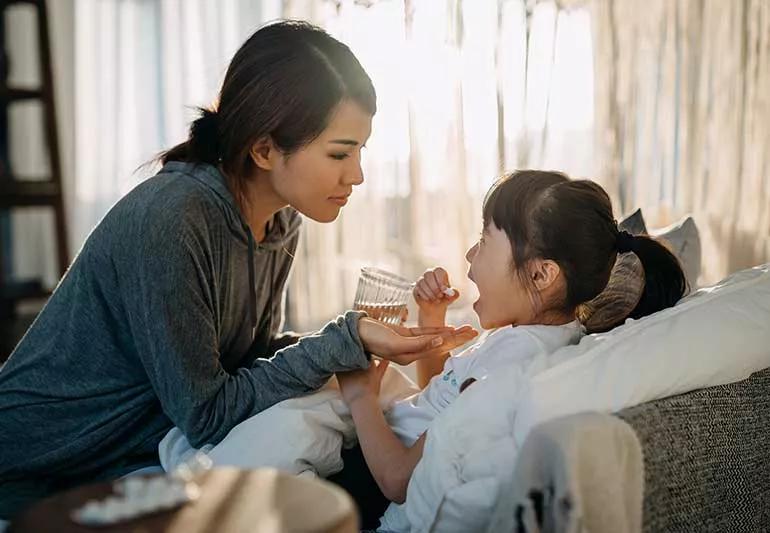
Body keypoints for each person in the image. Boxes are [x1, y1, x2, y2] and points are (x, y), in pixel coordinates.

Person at [0, 21, 476, 519]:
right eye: (340, 152)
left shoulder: (279, 219)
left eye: (361, 150)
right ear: (265, 149)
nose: (356, 175)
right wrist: (341, 341)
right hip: (40, 473)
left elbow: (245, 358)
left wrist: (353, 343)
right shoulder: (173, 221)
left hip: (138, 458)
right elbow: (208, 414)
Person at [335, 170, 688, 523]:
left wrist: (360, 395)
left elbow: (398, 479)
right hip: (377, 451)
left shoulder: (512, 361)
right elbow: (441, 402)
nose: (471, 255)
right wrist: (432, 318)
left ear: (541, 275)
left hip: (371, 477)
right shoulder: (529, 338)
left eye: (484, 240)